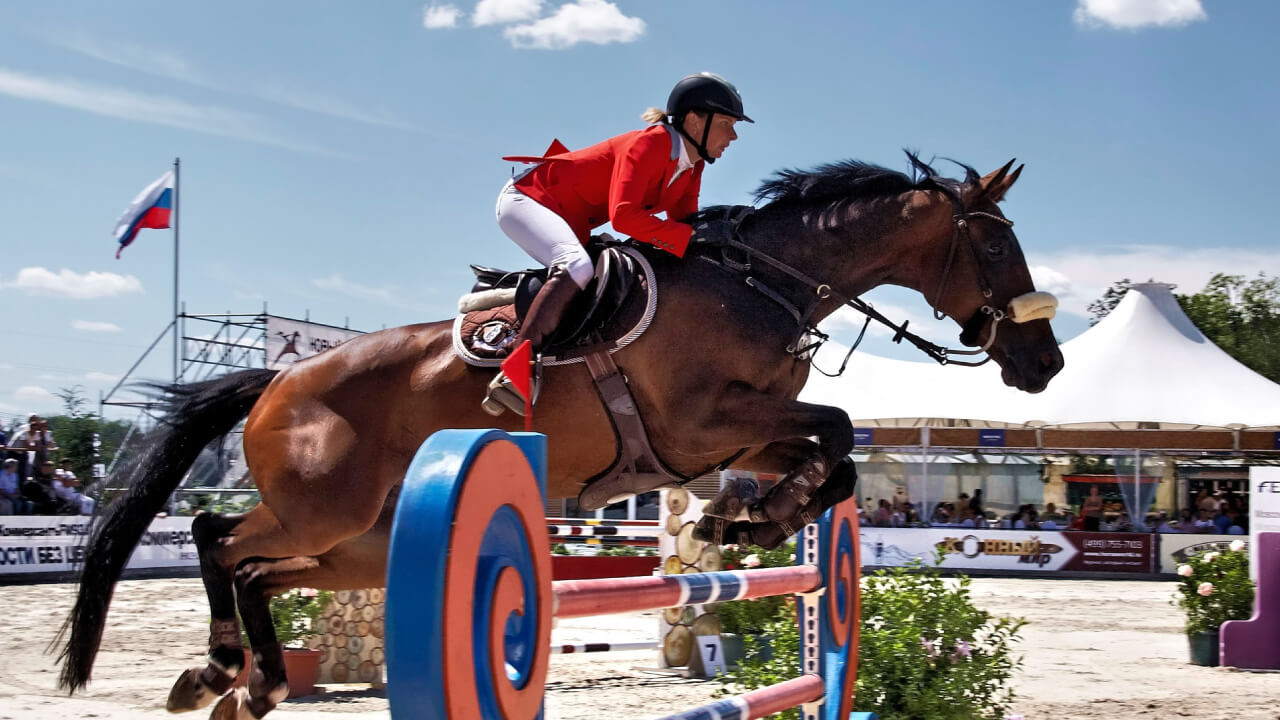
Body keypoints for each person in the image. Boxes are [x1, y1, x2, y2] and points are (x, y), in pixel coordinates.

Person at [483, 72, 752, 413]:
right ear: (695, 121)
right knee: (576, 265)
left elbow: (683, 228)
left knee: (603, 272)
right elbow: (625, 216)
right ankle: (516, 369)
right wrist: (692, 237)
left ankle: (508, 299)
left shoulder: (692, 166)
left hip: (574, 219)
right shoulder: (650, 143)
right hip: (530, 199)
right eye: (727, 123)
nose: (734, 135)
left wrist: (723, 243)